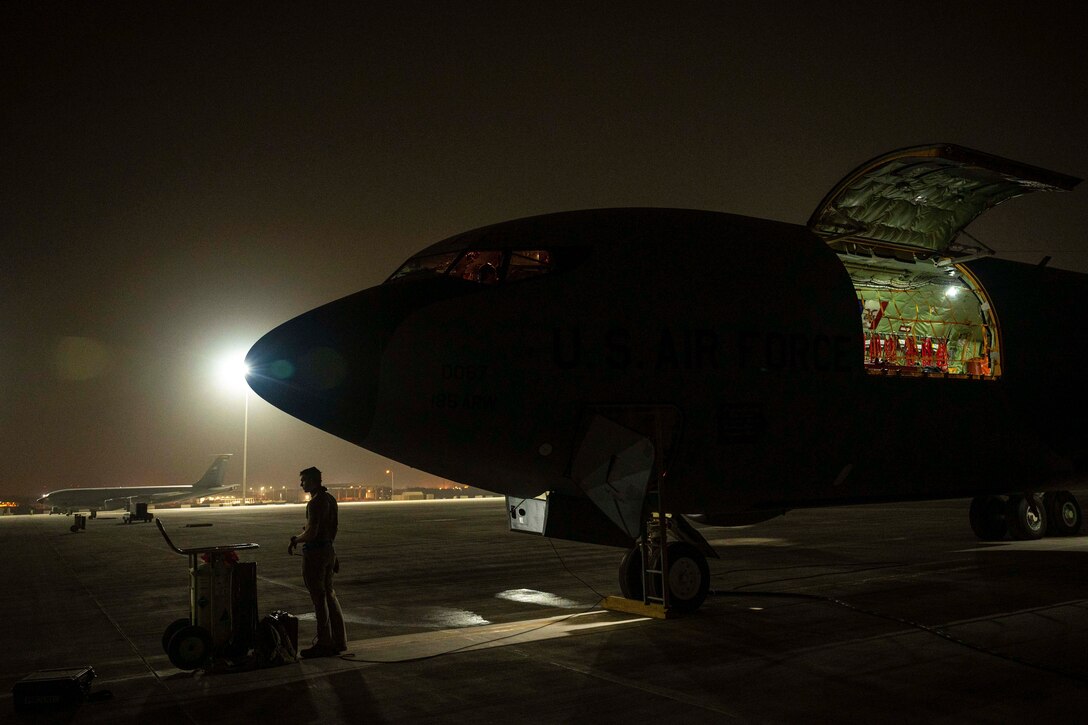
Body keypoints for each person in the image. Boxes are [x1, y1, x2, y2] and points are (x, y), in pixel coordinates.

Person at [287, 466, 347, 657]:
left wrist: (296, 539)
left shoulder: (314, 503)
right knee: (330, 595)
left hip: (315, 554)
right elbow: (334, 528)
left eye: (303, 480)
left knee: (318, 599)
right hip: (328, 549)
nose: (301, 484)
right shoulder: (330, 499)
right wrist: (332, 552)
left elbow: (312, 532)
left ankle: (324, 642)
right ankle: (340, 641)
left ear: (312, 481)